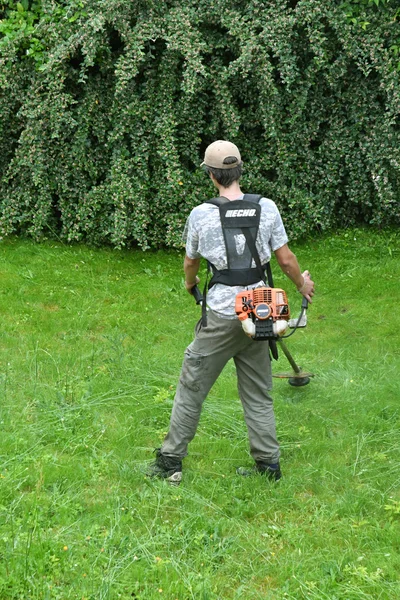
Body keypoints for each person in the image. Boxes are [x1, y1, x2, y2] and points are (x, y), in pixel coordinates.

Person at [147, 140, 315, 485]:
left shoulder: (201, 214)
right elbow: (285, 259)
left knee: (192, 387)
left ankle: (169, 462)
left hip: (222, 317)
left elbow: (191, 261)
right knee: (257, 393)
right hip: (260, 314)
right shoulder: (266, 207)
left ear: (212, 175)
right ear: (239, 170)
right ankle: (269, 466)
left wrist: (190, 284)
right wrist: (302, 285)